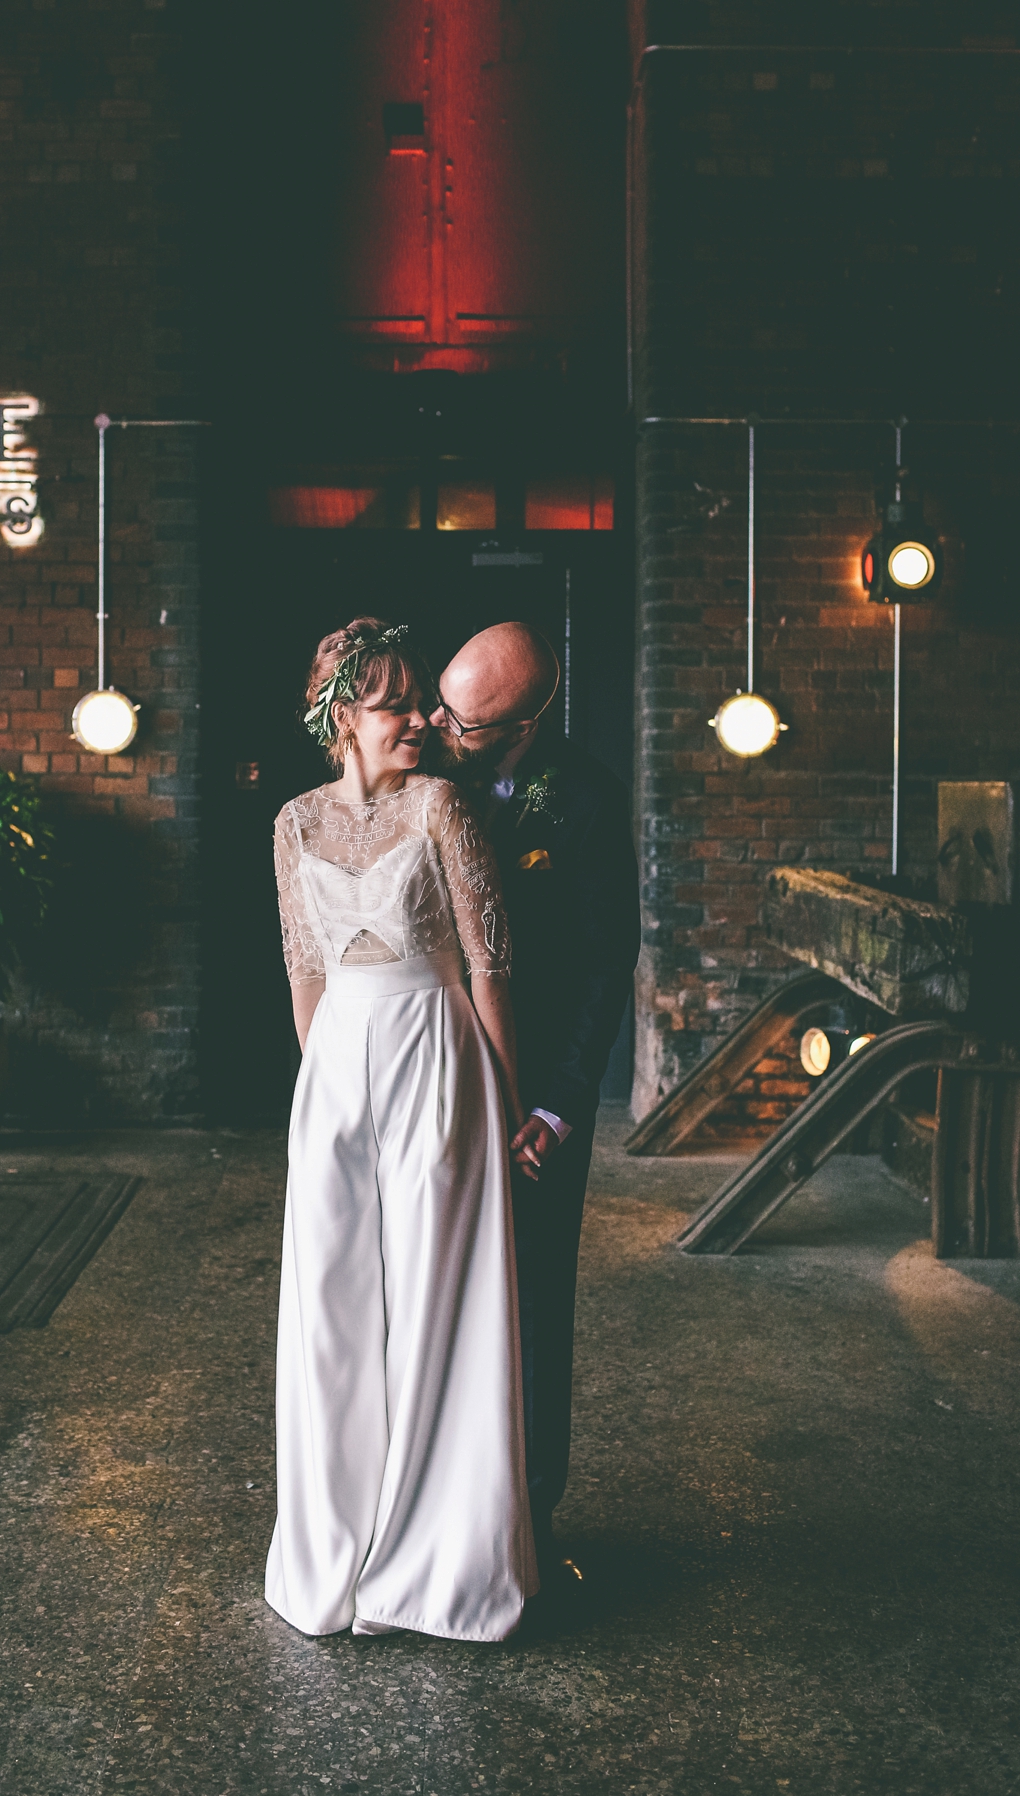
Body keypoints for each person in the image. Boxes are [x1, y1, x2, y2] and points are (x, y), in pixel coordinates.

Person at [265, 617, 538, 1643]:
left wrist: (506, 1107)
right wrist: (327, 1080)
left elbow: (488, 970)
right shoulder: (293, 824)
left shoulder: (444, 810)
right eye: (397, 701)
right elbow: (303, 974)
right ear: (342, 715)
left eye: (425, 699)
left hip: (437, 1055)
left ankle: (436, 1563)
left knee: (438, 1302)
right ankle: (335, 1554)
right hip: (336, 1068)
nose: (423, 717)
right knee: (331, 1311)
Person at [431, 622, 642, 1585]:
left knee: (534, 1292)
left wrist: (556, 1108)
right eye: (439, 702)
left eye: (464, 722)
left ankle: (533, 1516)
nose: (439, 725)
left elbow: (606, 964)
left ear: (522, 726)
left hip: (536, 1104)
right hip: (435, 1077)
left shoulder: (587, 800)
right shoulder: (421, 778)